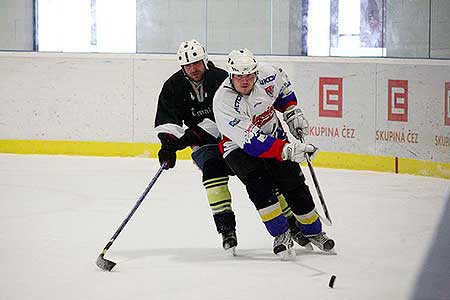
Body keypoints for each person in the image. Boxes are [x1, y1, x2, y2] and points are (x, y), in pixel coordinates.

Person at [155, 40, 311, 254]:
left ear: (205, 60)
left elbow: (232, 118)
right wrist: (168, 145)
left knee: (266, 175)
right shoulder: (173, 86)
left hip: (236, 139)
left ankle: (292, 225)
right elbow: (168, 118)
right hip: (204, 144)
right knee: (211, 171)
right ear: (182, 67)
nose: (194, 69)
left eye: (197, 63)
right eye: (188, 65)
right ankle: (227, 229)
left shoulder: (223, 79)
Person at [212, 48, 335, 260]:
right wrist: (285, 150)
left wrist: (291, 111)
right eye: (239, 76)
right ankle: (281, 234)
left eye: (249, 75)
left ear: (256, 73)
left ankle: (314, 230)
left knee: (294, 184)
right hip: (238, 147)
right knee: (260, 185)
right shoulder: (223, 102)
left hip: (273, 134)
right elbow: (251, 143)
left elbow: (283, 92)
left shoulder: (269, 73)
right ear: (231, 75)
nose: (245, 80)